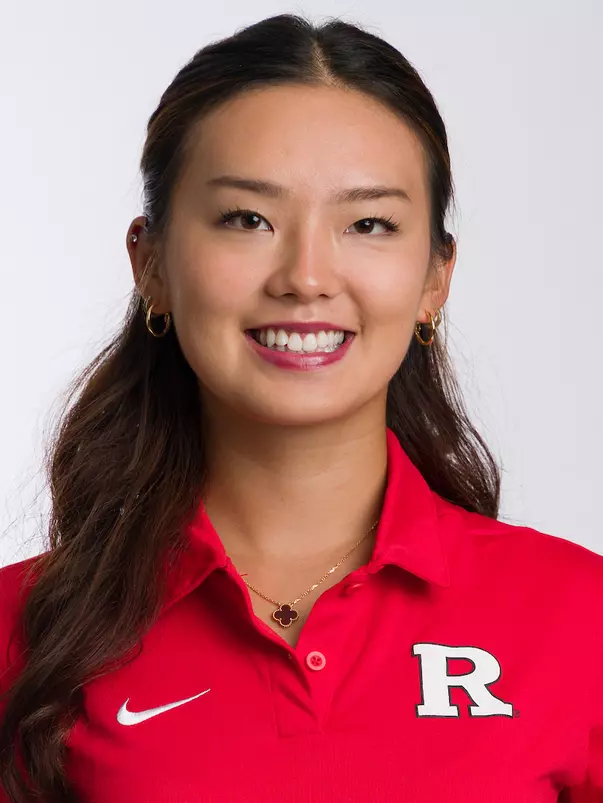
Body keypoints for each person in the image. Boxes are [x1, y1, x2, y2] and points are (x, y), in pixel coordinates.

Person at [0, 11, 601, 803]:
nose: (306, 276)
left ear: (435, 278)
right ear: (151, 264)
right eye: (247, 219)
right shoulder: (21, 634)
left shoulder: (578, 615)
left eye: (368, 223)